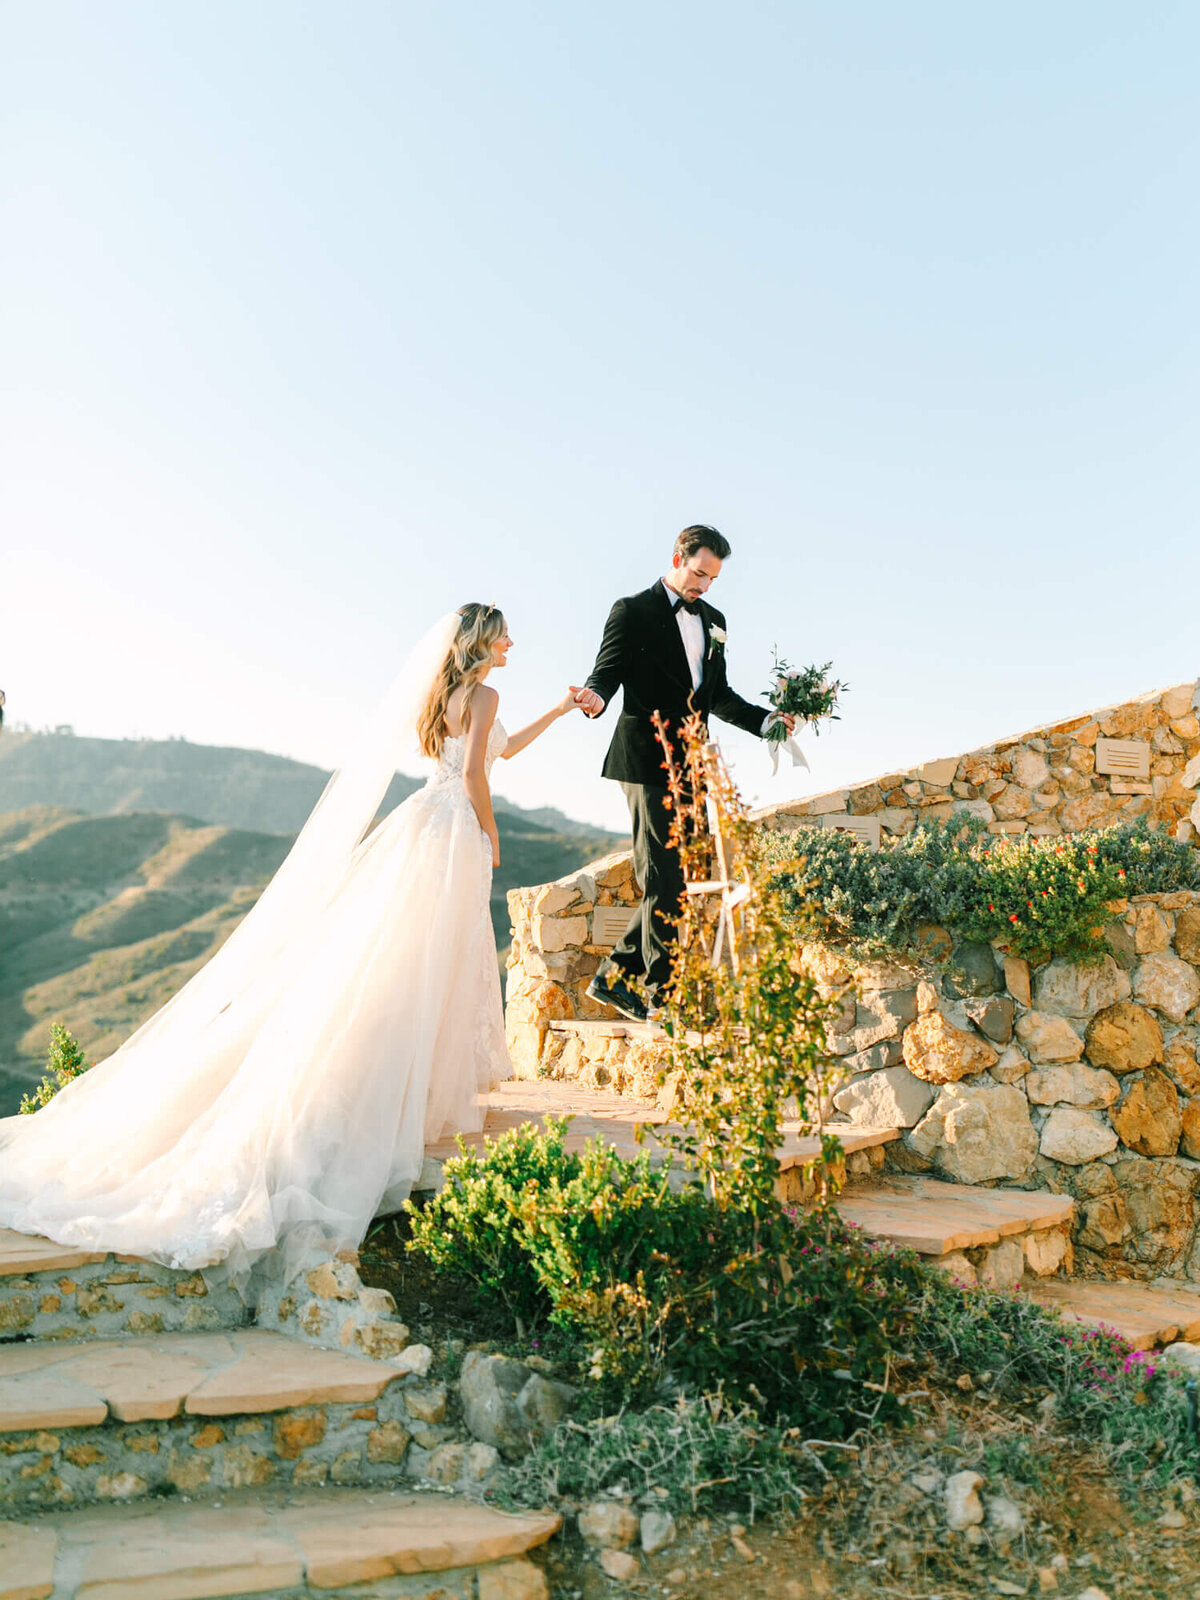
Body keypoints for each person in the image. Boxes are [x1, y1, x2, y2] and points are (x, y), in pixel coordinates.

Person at [0, 604, 582, 1297]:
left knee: (404, 961)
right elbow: (481, 776)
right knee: (430, 962)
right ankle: (408, 1094)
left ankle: (407, 1086)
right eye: (506, 634)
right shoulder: (484, 693)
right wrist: (492, 837)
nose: (513, 642)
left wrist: (562, 709)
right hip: (453, 826)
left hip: (421, 822)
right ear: (484, 642)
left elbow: (501, 751)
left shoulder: (448, 696)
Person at [575, 526, 795, 1020]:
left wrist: (766, 722)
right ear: (677, 558)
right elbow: (606, 671)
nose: (704, 587)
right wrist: (594, 700)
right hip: (645, 758)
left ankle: (614, 979)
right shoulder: (631, 610)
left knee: (687, 875)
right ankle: (661, 998)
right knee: (663, 873)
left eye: (713, 578)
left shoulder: (714, 620)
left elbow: (716, 695)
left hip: (692, 762)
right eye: (699, 574)